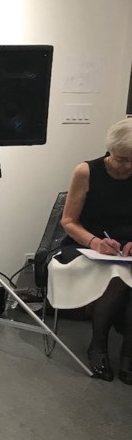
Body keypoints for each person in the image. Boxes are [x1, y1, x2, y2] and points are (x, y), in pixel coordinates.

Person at [57, 117, 132, 383]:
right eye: (123, 159)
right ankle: (98, 345)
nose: (128, 166)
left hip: (126, 251)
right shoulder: (86, 171)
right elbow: (68, 222)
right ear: (110, 150)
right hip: (84, 246)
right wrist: (95, 242)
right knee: (116, 277)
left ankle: (128, 354)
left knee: (126, 275)